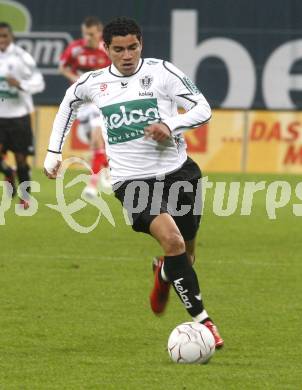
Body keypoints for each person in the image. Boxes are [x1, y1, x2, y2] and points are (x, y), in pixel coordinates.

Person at [44, 17, 224, 348]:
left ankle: (166, 272)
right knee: (174, 244)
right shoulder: (94, 82)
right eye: (119, 49)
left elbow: (203, 109)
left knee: (186, 254)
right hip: (132, 182)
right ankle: (204, 322)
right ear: (106, 49)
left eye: (133, 47)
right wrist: (53, 152)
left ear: (141, 44)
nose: (127, 55)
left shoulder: (162, 73)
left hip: (179, 173)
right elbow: (67, 105)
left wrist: (170, 125)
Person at [59, 16, 111, 196]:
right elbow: (63, 67)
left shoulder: (107, 49)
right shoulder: (75, 48)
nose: (88, 37)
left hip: (102, 101)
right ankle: (107, 168)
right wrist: (75, 80)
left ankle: (92, 184)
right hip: (83, 104)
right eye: (85, 34)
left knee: (98, 138)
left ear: (99, 33)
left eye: (91, 34)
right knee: (98, 146)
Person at [0, 21, 45, 208]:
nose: (1, 40)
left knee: (21, 159)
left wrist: (20, 84)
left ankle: (25, 197)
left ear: (11, 37)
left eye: (4, 36)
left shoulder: (22, 57)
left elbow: (39, 83)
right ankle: (8, 172)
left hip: (19, 116)